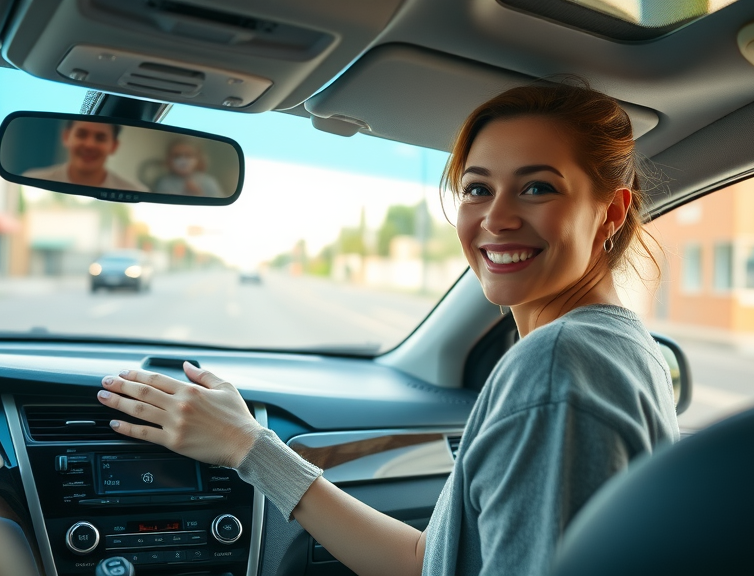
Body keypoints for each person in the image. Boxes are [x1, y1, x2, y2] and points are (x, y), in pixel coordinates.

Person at [96, 80, 680, 575]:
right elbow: (431, 559)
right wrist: (249, 448)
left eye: (537, 187)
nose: (496, 218)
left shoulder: (557, 366)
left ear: (611, 211)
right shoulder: (626, 349)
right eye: (478, 188)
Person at [24, 120, 147, 192]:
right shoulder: (30, 183)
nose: (89, 145)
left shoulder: (137, 193)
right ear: (66, 137)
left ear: (114, 146)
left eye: (100, 138)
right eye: (81, 134)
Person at [152, 139, 225, 197]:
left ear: (198, 159)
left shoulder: (209, 181)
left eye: (188, 155)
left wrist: (199, 195)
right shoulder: (164, 183)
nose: (183, 160)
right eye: (177, 156)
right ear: (169, 160)